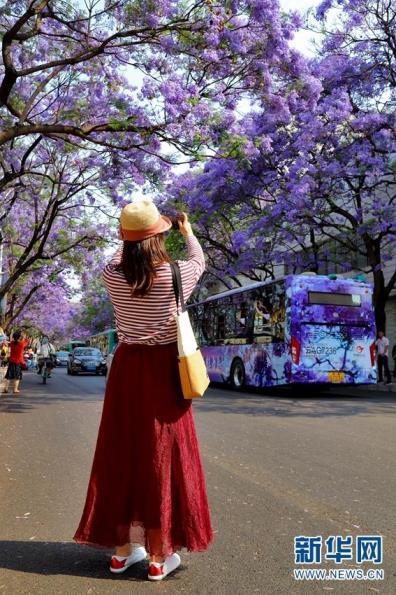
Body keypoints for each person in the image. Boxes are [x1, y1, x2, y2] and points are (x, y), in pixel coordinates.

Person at [74, 200, 213, 581]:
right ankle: (159, 555)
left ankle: (122, 552)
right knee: (163, 454)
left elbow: (122, 249)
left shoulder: (111, 274)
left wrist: (129, 231)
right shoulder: (176, 274)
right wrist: (186, 232)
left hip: (127, 368)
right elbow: (199, 260)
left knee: (124, 453)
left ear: (128, 239)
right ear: (159, 237)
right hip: (164, 370)